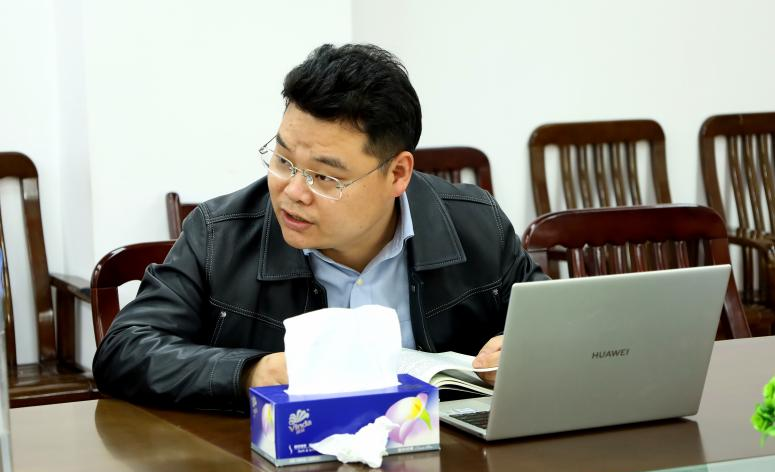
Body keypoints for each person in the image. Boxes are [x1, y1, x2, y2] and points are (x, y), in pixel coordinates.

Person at [92, 43, 548, 412]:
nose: (293, 191)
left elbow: (560, 324)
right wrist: (255, 373)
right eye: (283, 160)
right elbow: (124, 352)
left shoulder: (475, 224)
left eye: (325, 177)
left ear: (397, 174)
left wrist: (524, 351)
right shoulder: (218, 235)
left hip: (443, 471)